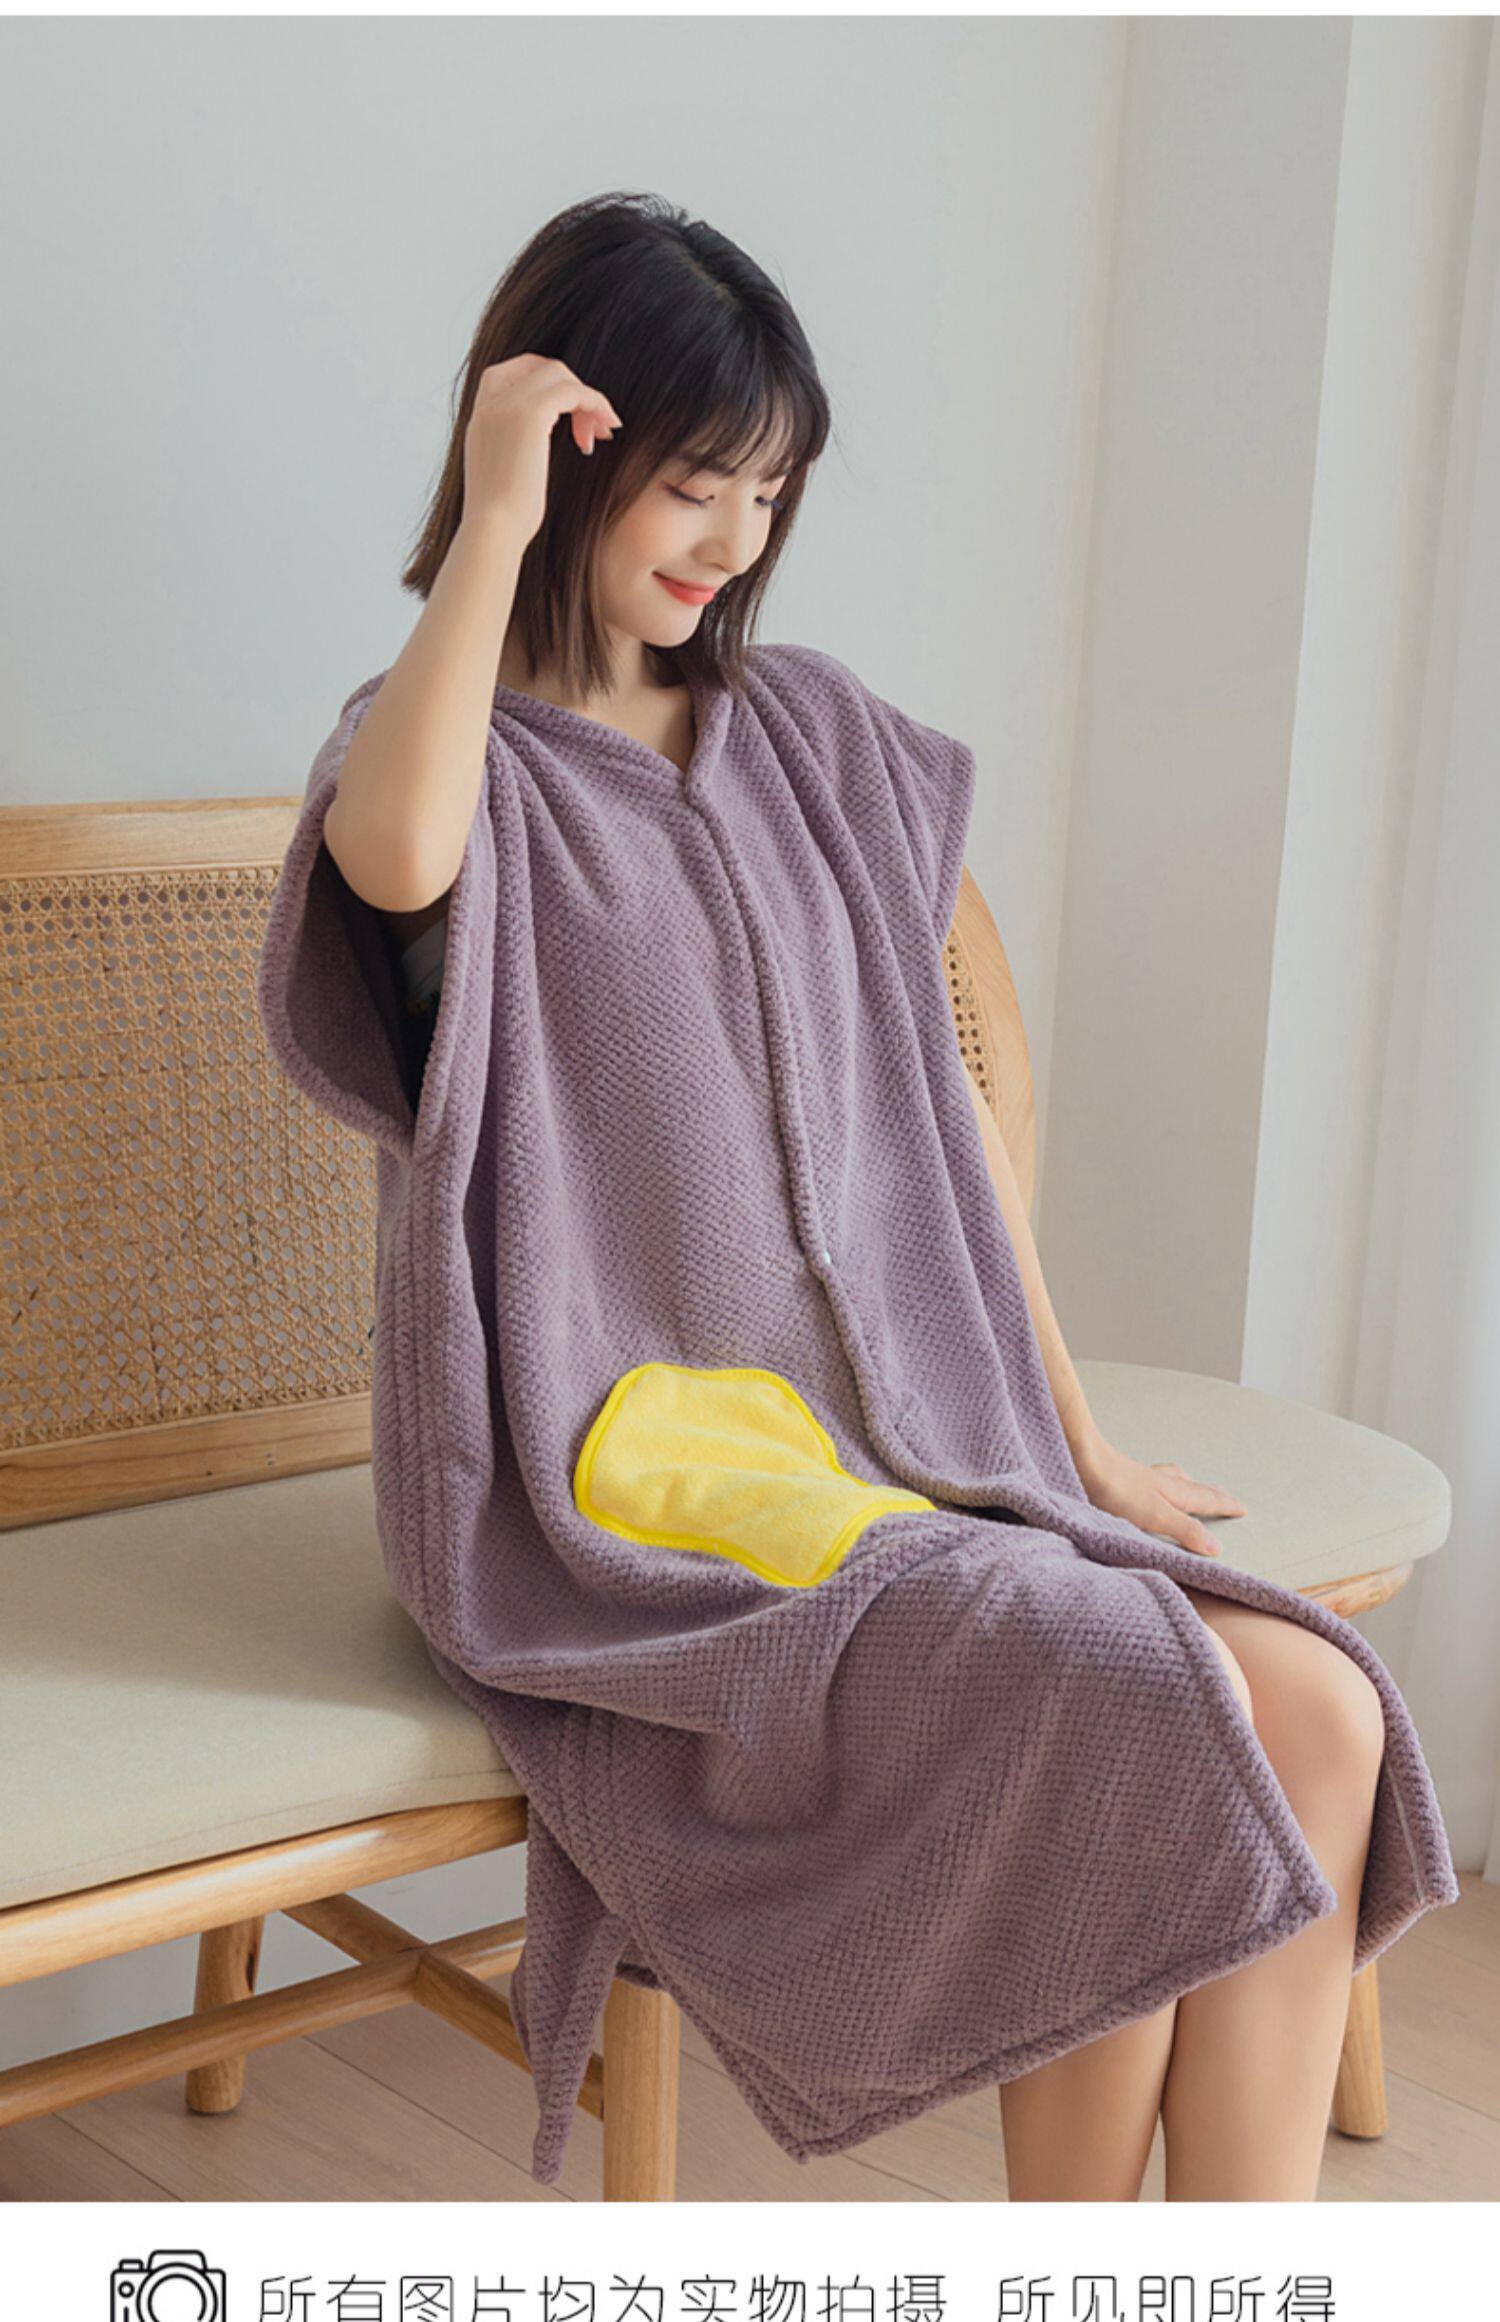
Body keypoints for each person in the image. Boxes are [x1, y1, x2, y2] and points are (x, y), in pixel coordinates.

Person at [269, 192, 1437, 2201]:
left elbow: (944, 1124)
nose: (733, 538)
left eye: (771, 490)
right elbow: (393, 858)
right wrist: (488, 524)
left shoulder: (814, 737)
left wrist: (1075, 1440)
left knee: (1322, 1711)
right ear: (567, 455)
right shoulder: (452, 761)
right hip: (634, 1481)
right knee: (1122, 1704)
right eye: (693, 482)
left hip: (922, 1436)